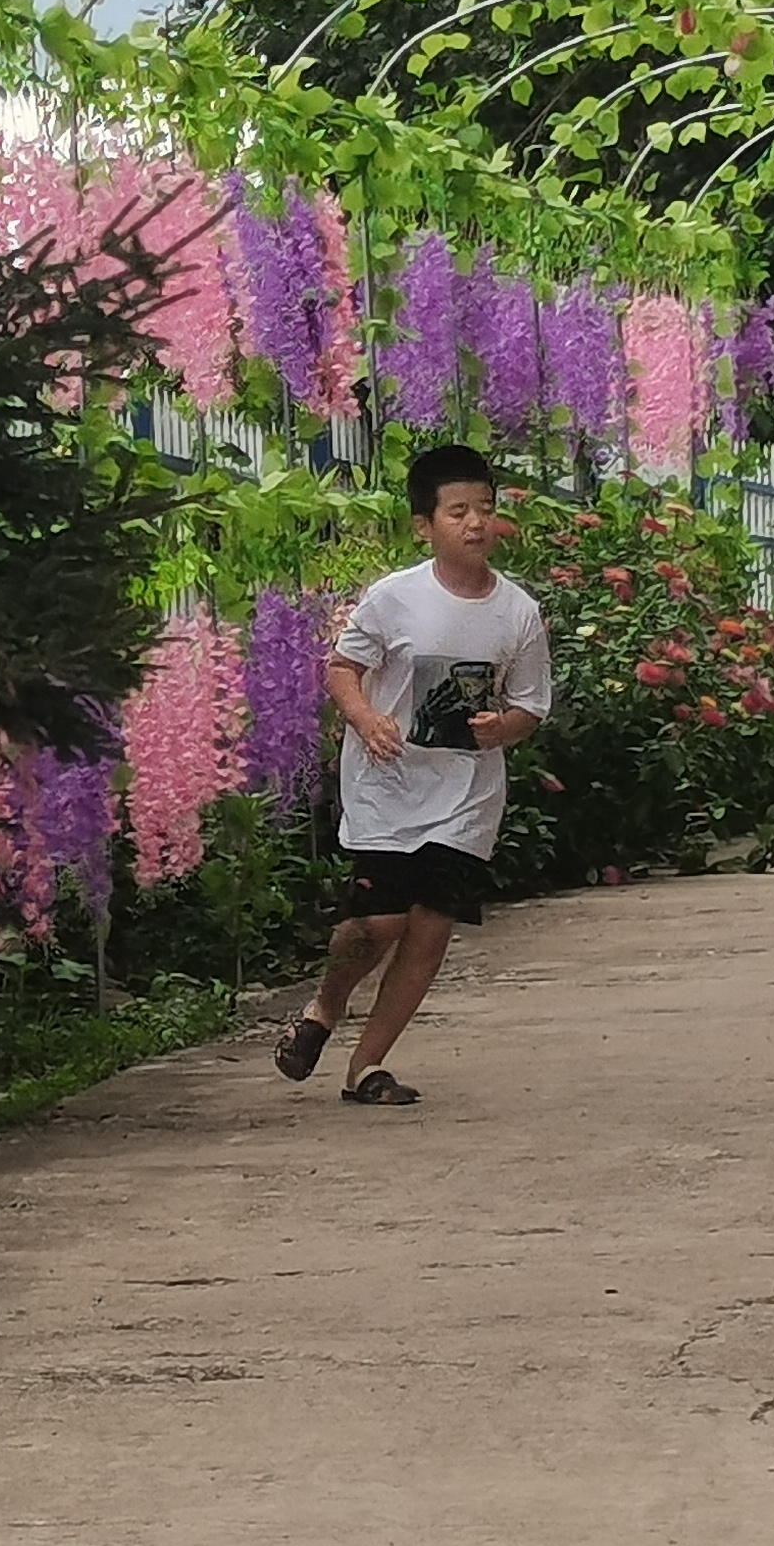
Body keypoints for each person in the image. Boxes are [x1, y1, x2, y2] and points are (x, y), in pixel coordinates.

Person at [278, 442, 551, 1107]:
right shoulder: (393, 598)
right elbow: (342, 669)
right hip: (389, 786)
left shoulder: (518, 612)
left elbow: (531, 704)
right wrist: (367, 719)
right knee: (377, 924)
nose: (476, 523)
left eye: (485, 508)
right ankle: (324, 1008)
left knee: (429, 928)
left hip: (465, 796)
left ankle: (367, 1067)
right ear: (424, 525)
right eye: (458, 511)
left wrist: (503, 729)